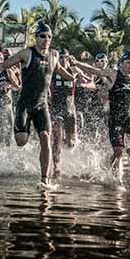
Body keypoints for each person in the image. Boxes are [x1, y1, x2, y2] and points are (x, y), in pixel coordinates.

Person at [0, 22, 76, 186]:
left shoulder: (53, 55)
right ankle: (27, 132)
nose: (46, 39)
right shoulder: (27, 54)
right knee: (21, 141)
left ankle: (45, 179)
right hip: (24, 106)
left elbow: (58, 69)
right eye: (43, 36)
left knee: (46, 137)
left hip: (41, 106)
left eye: (49, 37)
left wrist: (73, 78)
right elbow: (3, 65)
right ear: (36, 38)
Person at [50, 48, 79, 178]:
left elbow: (90, 81)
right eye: (60, 57)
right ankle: (57, 166)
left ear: (68, 58)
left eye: (64, 57)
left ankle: (68, 161)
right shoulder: (53, 71)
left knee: (71, 143)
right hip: (56, 109)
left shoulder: (74, 71)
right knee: (57, 138)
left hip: (70, 111)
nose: (62, 59)